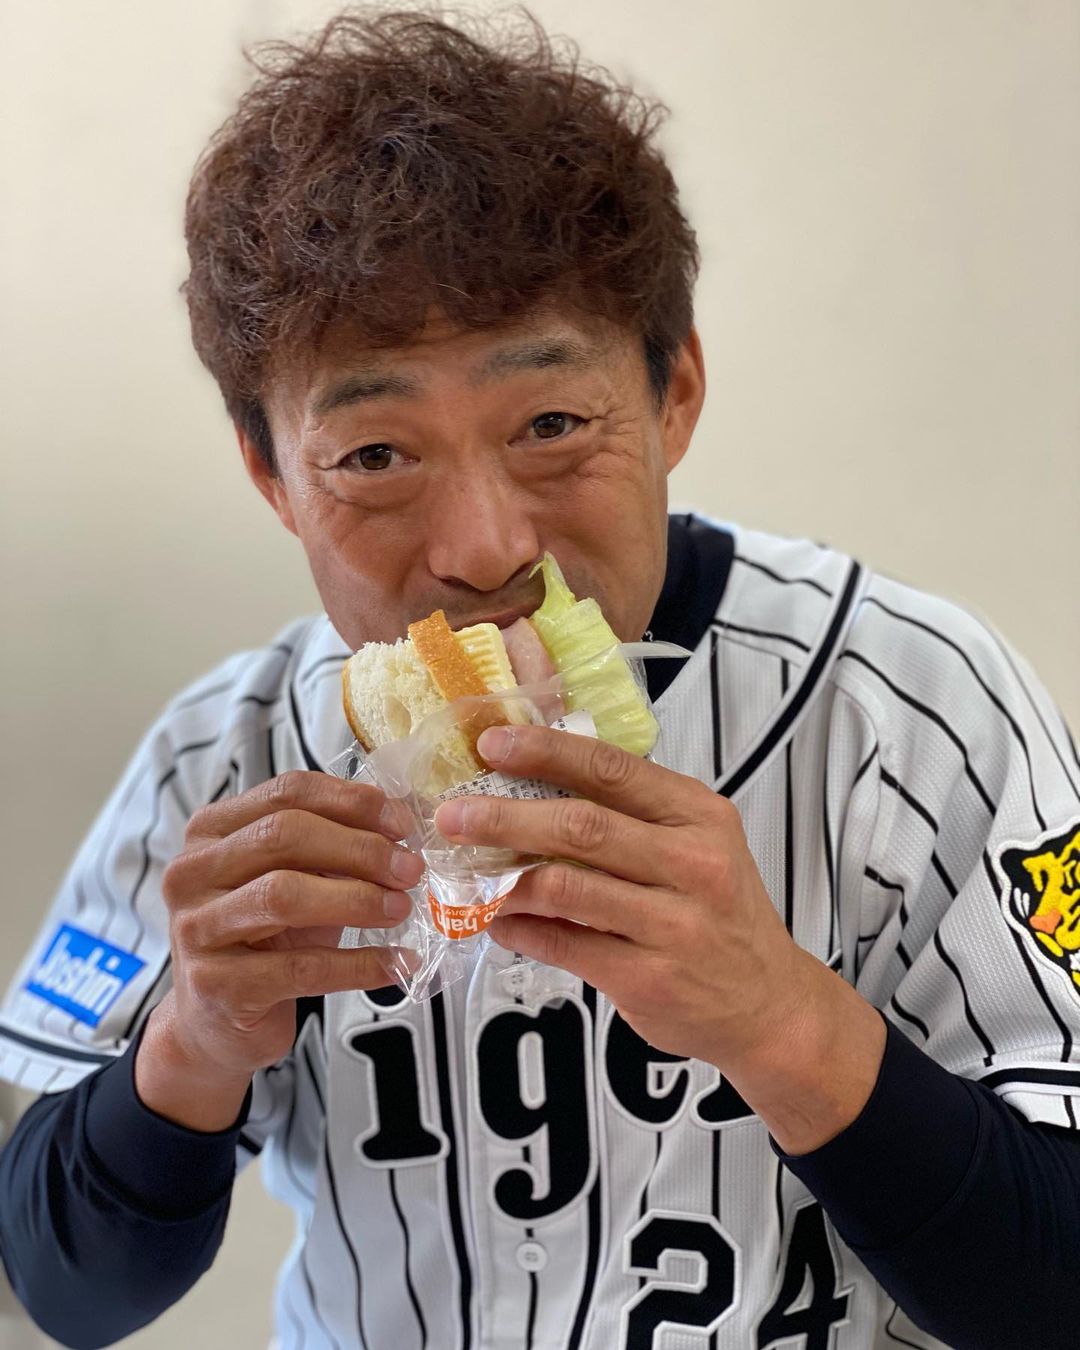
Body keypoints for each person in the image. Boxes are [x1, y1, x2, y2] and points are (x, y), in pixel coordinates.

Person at [1, 9, 1078, 1349]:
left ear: (675, 394)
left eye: (553, 424)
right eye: (375, 455)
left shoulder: (912, 709)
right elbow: (61, 1290)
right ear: (271, 472)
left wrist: (780, 1015)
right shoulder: (224, 758)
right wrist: (193, 1041)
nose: (483, 548)